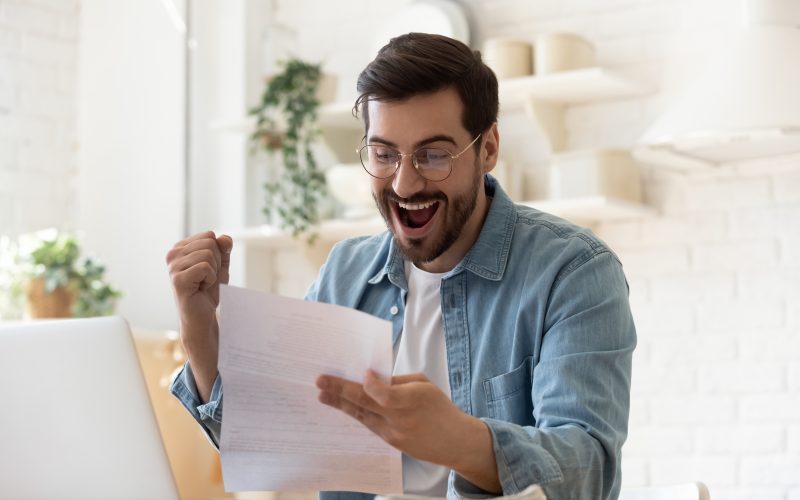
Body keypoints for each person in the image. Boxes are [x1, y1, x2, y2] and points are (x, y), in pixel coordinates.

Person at [167, 33, 636, 500]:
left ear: (488, 147)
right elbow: (271, 440)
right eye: (384, 154)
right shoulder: (346, 271)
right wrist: (200, 330)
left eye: (433, 155)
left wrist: (461, 440)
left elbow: (589, 470)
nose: (406, 183)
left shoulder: (573, 272)